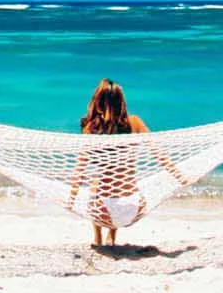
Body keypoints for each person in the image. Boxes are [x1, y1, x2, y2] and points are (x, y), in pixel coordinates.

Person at [67, 78, 184, 247]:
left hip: (102, 212)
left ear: (97, 101)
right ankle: (112, 235)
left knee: (97, 182)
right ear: (121, 102)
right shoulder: (135, 122)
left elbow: (80, 169)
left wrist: (71, 200)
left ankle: (98, 235)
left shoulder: (91, 127)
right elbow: (159, 154)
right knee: (121, 182)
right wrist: (180, 177)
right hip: (133, 208)